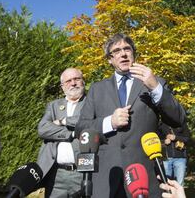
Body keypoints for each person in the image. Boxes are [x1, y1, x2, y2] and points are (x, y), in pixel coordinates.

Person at [75, 33, 185, 197]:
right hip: (107, 178)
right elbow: (80, 129)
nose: (123, 54)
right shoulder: (97, 89)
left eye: (127, 49)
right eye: (117, 51)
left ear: (134, 53)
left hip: (144, 176)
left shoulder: (155, 82)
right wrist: (109, 122)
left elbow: (178, 119)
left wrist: (155, 87)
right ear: (110, 60)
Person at [37, 68, 85, 197]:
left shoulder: (91, 102)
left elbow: (88, 121)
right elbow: (43, 129)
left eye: (77, 79)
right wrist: (72, 134)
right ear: (63, 86)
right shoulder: (54, 105)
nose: (73, 83)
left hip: (82, 173)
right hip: (55, 174)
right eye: (68, 81)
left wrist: (63, 121)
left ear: (83, 81)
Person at [158, 121, 190, 186]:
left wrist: (175, 137)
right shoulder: (160, 125)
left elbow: (188, 138)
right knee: (167, 184)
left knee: (180, 184)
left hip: (180, 158)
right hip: (166, 158)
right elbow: (155, 140)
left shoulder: (181, 123)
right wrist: (164, 141)